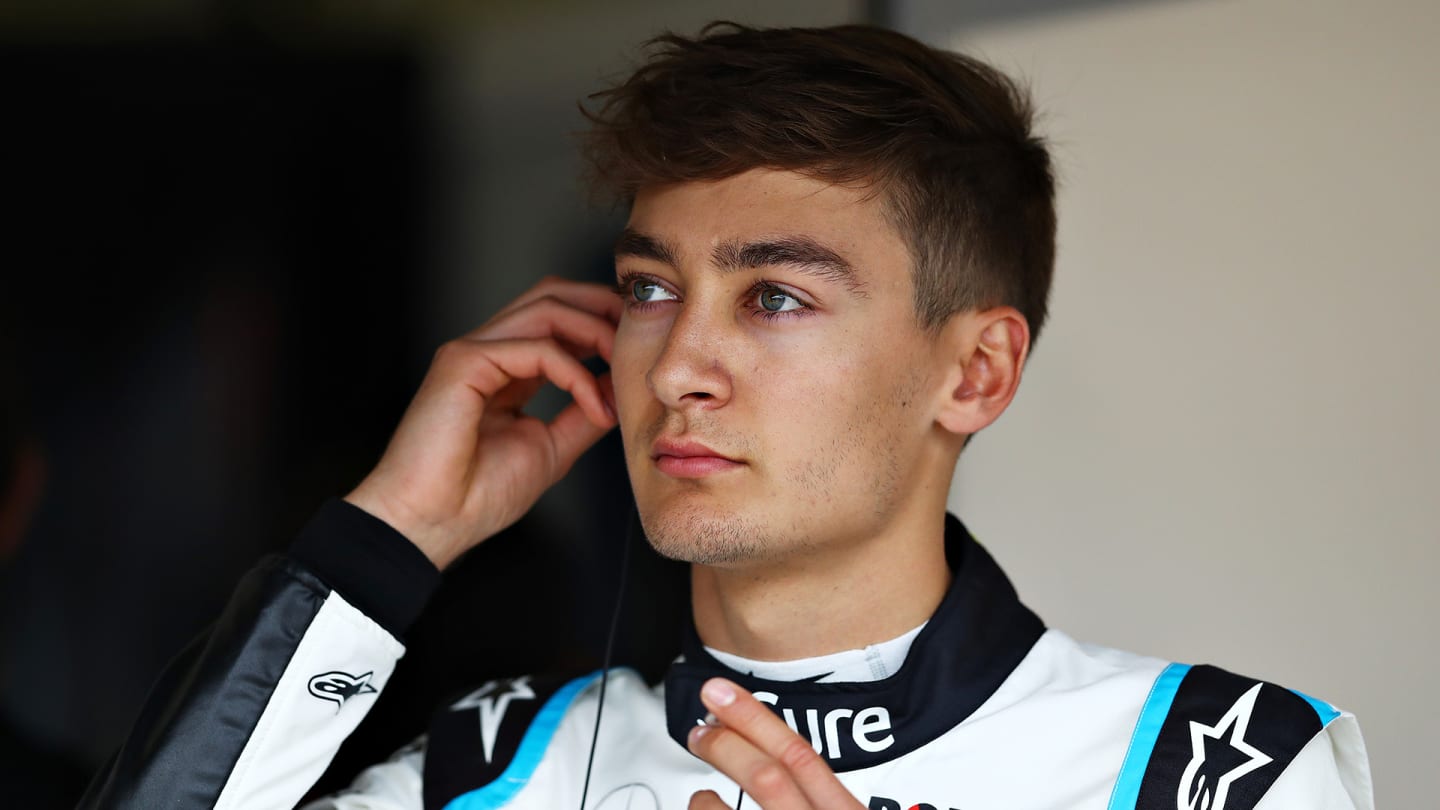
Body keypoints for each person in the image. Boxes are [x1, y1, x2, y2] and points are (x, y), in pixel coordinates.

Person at [78, 22, 1371, 810]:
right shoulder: (497, 759)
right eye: (649, 287)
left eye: (776, 296)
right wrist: (386, 535)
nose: (680, 362)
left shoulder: (1217, 769)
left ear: (974, 372)